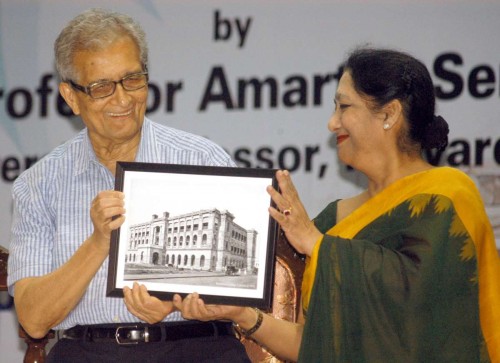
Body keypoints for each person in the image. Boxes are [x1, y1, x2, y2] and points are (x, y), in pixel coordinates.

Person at [173, 47, 500, 362]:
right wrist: (242, 314)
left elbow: (416, 307)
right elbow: (312, 345)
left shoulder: (447, 197)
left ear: (389, 114)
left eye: (344, 107)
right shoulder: (334, 219)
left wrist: (317, 244)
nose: (332, 123)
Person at [7, 8, 251, 363]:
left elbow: (240, 278)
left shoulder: (202, 159)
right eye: (101, 87)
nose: (122, 99)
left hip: (196, 346)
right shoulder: (39, 183)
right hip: (88, 351)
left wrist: (173, 302)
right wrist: (98, 243)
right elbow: (34, 319)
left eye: (132, 80)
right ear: (71, 97)